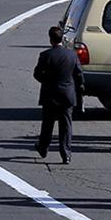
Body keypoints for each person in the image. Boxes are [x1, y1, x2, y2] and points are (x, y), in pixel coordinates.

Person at [33, 25, 84, 164]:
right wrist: (78, 87)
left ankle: (43, 147)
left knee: (47, 124)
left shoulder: (45, 55)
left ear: (51, 39)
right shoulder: (72, 55)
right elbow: (78, 74)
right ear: (62, 38)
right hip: (67, 94)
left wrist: (46, 82)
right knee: (66, 125)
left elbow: (37, 74)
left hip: (50, 94)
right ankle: (66, 153)